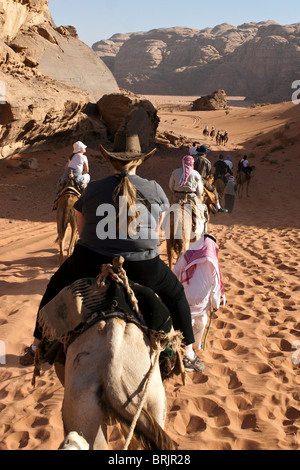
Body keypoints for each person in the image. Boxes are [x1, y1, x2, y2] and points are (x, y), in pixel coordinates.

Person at [20, 134, 204, 373]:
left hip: (91, 261)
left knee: (55, 285)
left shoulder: (94, 188)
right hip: (143, 265)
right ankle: (188, 353)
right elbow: (156, 231)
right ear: (140, 161)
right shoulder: (155, 189)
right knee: (176, 293)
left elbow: (81, 226)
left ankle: (36, 347)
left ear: (111, 161)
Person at [173, 234, 225, 371]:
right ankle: (191, 350)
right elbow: (215, 287)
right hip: (198, 303)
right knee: (200, 322)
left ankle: (191, 347)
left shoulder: (187, 255)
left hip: (184, 299)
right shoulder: (212, 261)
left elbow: (175, 273)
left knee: (190, 323)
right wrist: (216, 305)